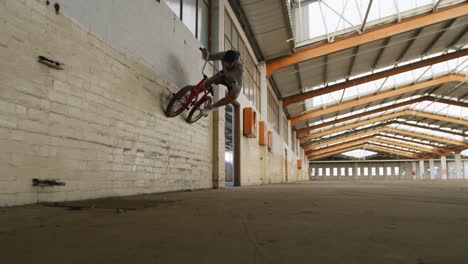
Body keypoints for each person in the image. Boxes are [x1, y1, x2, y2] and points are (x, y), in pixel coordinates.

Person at [200, 48, 244, 116]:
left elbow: (237, 88)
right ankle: (193, 93)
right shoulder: (223, 55)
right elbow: (210, 57)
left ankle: (210, 107)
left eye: (230, 64)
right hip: (224, 75)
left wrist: (234, 81)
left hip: (234, 82)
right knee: (209, 81)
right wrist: (205, 54)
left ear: (235, 61)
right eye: (226, 63)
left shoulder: (240, 68)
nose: (227, 65)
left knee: (234, 96)